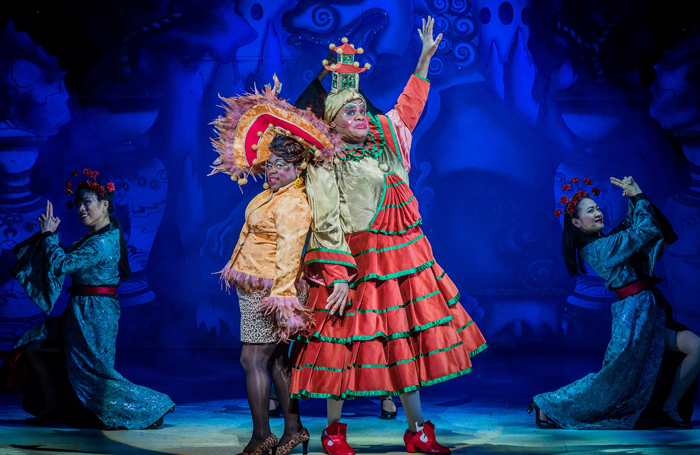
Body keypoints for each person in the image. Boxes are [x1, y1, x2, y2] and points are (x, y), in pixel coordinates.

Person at [289, 17, 487, 454]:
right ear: (332, 121)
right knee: (346, 342)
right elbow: (327, 221)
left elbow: (408, 108)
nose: (361, 116)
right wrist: (338, 275)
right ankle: (334, 431)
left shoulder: (388, 140)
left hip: (406, 258)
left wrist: (423, 61)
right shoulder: (326, 163)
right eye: (349, 112)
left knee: (405, 342)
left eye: (362, 110)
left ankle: (418, 430)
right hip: (359, 263)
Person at [210, 79, 339, 455]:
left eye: (281, 166)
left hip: (271, 290)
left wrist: (282, 296)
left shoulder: (293, 203)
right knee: (278, 360)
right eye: (270, 165)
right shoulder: (271, 195)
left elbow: (289, 252)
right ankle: (294, 429)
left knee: (252, 358)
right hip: (255, 287)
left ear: (297, 167)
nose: (272, 171)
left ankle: (262, 435)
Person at [0, 170, 175, 429]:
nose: (81, 208)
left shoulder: (100, 243)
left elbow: (61, 264)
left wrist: (49, 235)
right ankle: (53, 405)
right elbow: (60, 256)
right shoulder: (96, 237)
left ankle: (150, 406)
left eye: (87, 202)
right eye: (78, 203)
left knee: (93, 375)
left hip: (94, 315)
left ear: (104, 205)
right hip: (83, 310)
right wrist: (49, 238)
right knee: (32, 345)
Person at [528, 176, 700, 429]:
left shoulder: (608, 240)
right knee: (612, 381)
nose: (598, 212)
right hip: (633, 315)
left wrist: (634, 194)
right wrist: (639, 196)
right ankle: (548, 404)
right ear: (576, 222)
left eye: (597, 207)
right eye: (590, 211)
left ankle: (669, 407)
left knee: (696, 348)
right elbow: (644, 230)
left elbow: (633, 225)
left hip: (648, 310)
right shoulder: (599, 249)